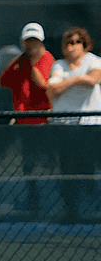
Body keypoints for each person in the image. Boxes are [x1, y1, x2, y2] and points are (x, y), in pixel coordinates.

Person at [47, 27, 101, 221]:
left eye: (78, 42)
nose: (73, 46)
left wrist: (70, 81)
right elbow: (52, 90)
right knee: (68, 169)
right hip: (64, 126)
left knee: (89, 168)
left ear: (85, 45)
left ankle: (94, 211)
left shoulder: (94, 61)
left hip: (90, 125)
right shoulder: (58, 65)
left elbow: (92, 79)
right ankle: (71, 212)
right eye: (69, 43)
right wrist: (76, 80)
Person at [0, 22, 54, 124]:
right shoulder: (20, 60)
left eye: (35, 41)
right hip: (21, 119)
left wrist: (32, 65)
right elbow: (3, 81)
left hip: (41, 119)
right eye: (28, 41)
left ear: (41, 42)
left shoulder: (48, 59)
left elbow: (43, 85)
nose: (31, 44)